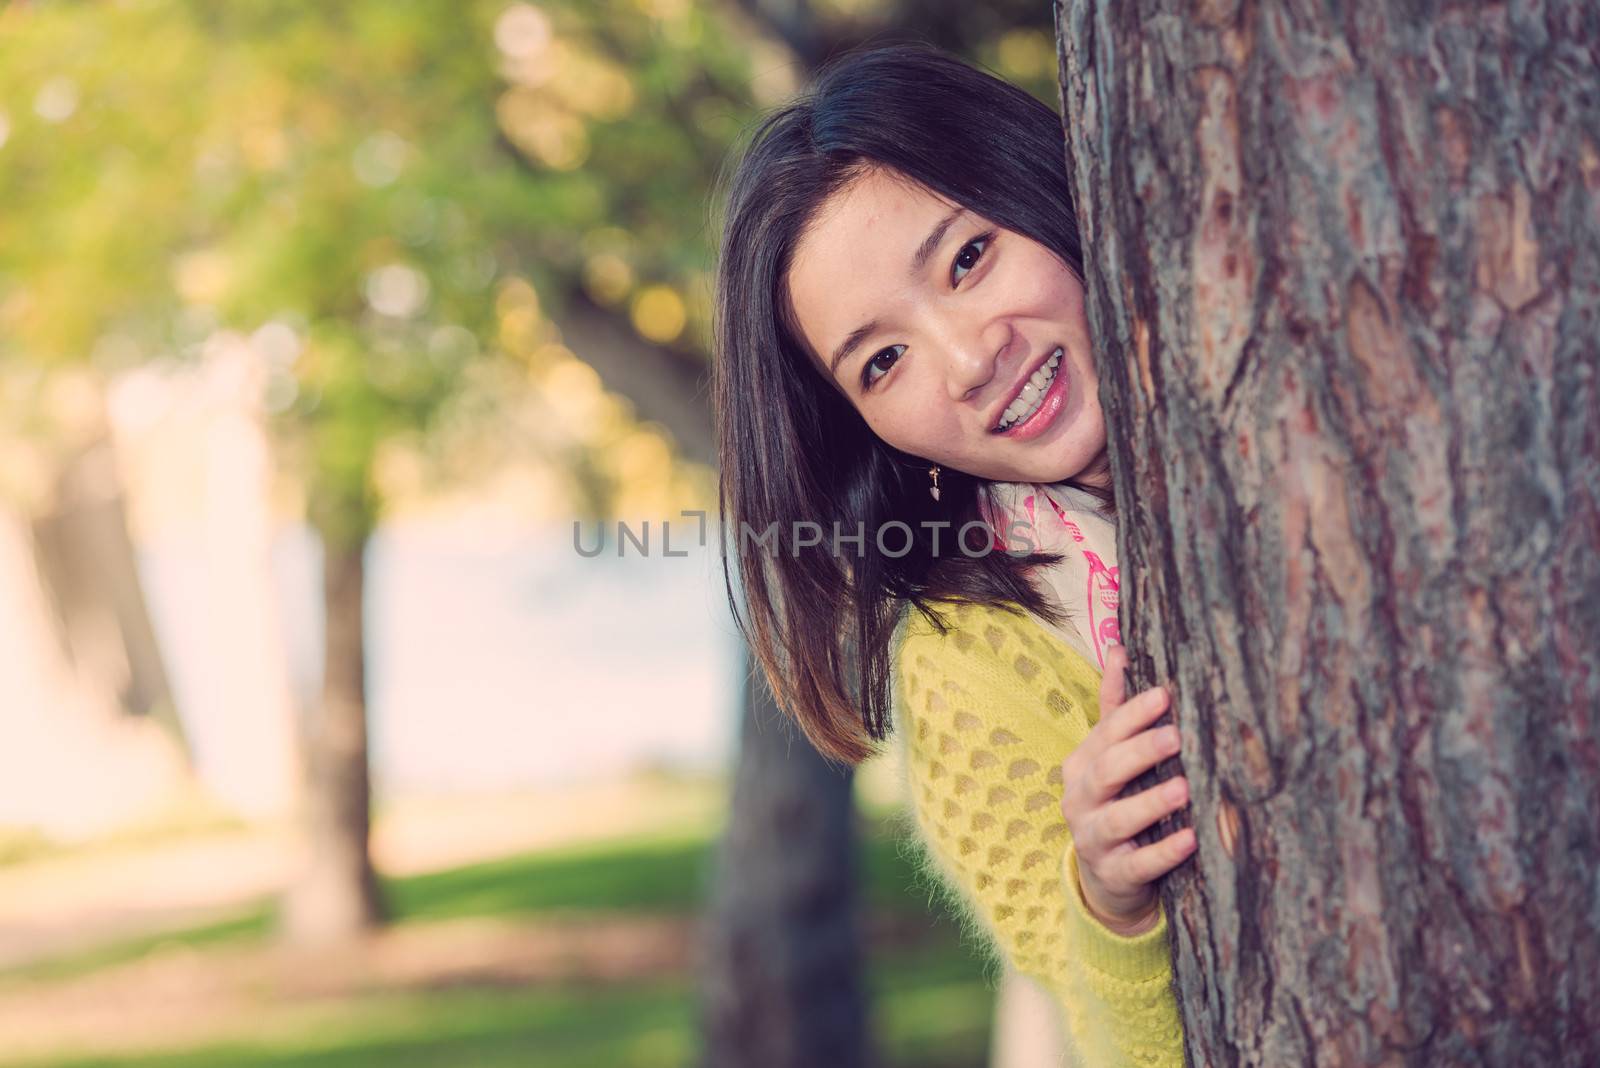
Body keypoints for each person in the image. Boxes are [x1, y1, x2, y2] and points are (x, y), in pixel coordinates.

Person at [711, 42, 1192, 1066]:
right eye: (883, 361)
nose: (972, 360)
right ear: (860, 428)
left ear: (1046, 187)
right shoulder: (964, 675)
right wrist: (1109, 903)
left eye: (967, 259)